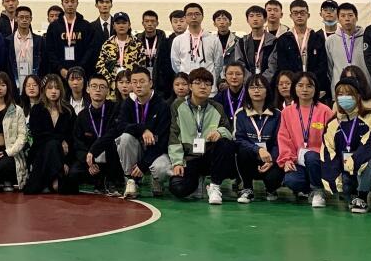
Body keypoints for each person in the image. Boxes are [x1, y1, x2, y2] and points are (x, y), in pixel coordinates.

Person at [167, 68, 234, 204]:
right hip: (189, 158)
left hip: (209, 156)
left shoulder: (217, 107)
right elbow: (174, 135)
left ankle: (214, 186)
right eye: (198, 83)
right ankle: (197, 180)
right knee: (178, 188)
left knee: (225, 144)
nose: (203, 87)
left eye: (207, 84)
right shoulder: (178, 106)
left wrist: (219, 132)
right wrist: (177, 162)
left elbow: (229, 131)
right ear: (190, 86)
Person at [321, 77, 371, 213]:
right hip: (342, 167)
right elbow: (328, 150)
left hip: (361, 165)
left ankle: (362, 197)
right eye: (340, 94)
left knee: (369, 164)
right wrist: (334, 175)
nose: (344, 98)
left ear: (358, 96)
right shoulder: (332, 123)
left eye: (349, 94)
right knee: (343, 185)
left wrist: (353, 161)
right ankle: (350, 195)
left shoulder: (370, 118)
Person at [277, 72, 334, 208]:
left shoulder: (325, 111)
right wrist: (287, 159)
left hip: (319, 160)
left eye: (309, 86)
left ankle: (318, 190)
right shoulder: (287, 112)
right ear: (294, 88)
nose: (304, 89)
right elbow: (284, 137)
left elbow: (332, 138)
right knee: (291, 180)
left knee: (311, 156)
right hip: (298, 161)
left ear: (315, 89)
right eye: (300, 85)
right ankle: (308, 190)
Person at [115, 66, 172, 198]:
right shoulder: (128, 103)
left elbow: (163, 141)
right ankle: (131, 180)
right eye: (134, 82)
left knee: (162, 169)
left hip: (156, 150)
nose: (138, 85)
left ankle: (157, 180)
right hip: (137, 148)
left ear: (150, 83)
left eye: (142, 81)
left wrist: (143, 165)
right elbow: (120, 126)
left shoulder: (162, 105)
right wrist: (142, 129)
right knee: (125, 138)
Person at [232, 75, 282, 203]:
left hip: (270, 160)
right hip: (250, 159)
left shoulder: (277, 114)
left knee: (274, 179)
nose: (256, 90)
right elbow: (239, 140)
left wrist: (271, 159)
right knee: (241, 150)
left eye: (260, 87)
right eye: (252, 87)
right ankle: (247, 188)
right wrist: (258, 150)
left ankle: (271, 189)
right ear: (247, 91)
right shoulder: (240, 114)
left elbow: (279, 141)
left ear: (267, 90)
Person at [23, 74, 75, 195]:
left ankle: (51, 181)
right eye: (50, 88)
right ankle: (56, 179)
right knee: (52, 144)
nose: (53, 91)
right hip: (41, 152)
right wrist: (61, 141)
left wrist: (66, 161)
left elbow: (72, 136)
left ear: (61, 90)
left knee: (54, 145)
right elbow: (38, 136)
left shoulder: (68, 110)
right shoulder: (37, 109)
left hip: (63, 154)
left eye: (57, 88)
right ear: (44, 90)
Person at [71, 76, 121, 195]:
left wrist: (95, 149)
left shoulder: (115, 109)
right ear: (88, 89)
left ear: (107, 91)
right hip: (90, 158)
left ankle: (111, 180)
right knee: (73, 174)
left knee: (112, 142)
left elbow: (114, 133)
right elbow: (77, 143)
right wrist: (88, 161)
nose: (98, 90)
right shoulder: (82, 115)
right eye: (94, 86)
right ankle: (98, 179)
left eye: (102, 87)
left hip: (112, 156)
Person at [276, 0, 331, 100]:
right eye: (295, 13)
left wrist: (310, 82)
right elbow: (283, 66)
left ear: (308, 15)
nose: (299, 16)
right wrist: (297, 83)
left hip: (314, 86)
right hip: (293, 87)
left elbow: (322, 64)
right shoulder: (283, 39)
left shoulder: (317, 38)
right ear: (291, 16)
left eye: (302, 13)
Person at [43, 0, 96, 76]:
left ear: (77, 3)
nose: (70, 4)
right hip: (59, 73)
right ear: (62, 4)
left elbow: (90, 50)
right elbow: (50, 50)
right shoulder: (54, 26)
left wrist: (80, 68)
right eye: (66, 2)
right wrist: (60, 69)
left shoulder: (86, 26)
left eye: (72, 1)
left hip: (81, 73)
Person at [169, 3, 222, 86]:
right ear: (185, 18)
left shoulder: (213, 39)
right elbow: (176, 65)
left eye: (197, 14)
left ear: (202, 17)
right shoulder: (178, 40)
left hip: (208, 87)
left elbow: (218, 64)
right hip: (187, 87)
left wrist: (211, 79)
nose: (193, 17)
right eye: (190, 14)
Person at [324, 2, 370, 92]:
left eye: (350, 15)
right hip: (340, 89)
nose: (347, 19)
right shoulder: (331, 40)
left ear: (356, 17)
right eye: (343, 16)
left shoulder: (367, 38)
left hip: (363, 87)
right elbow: (329, 68)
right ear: (338, 19)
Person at [95, 11, 145, 88]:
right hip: (112, 87)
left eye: (124, 23)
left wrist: (132, 81)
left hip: (132, 86)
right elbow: (100, 65)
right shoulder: (107, 44)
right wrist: (110, 81)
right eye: (118, 23)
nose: (121, 26)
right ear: (113, 26)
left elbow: (142, 65)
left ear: (129, 25)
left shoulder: (137, 44)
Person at [238, 5, 278, 81]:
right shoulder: (241, 42)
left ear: (265, 19)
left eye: (258, 16)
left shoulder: (274, 41)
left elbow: (273, 65)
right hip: (247, 83)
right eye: (251, 16)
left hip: (268, 83)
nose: (255, 19)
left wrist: (261, 81)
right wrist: (250, 80)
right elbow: (240, 64)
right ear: (247, 20)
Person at [136, 10, 172, 94]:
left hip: (161, 83)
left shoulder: (164, 41)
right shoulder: (136, 41)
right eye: (147, 21)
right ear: (143, 23)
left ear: (157, 23)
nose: (149, 24)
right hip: (142, 80)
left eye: (152, 21)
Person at [9, 6, 44, 85]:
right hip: (14, 81)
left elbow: (44, 62)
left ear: (31, 19)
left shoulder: (39, 40)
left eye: (27, 17)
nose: (24, 20)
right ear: (16, 18)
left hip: (34, 82)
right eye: (21, 17)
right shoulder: (8, 41)